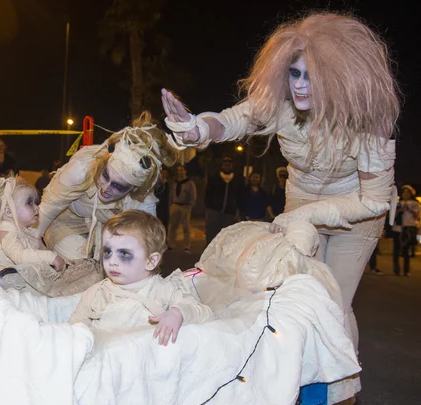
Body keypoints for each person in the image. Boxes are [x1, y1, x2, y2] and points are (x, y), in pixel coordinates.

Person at [162, 13, 399, 353]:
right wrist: (196, 128)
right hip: (299, 206)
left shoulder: (368, 123)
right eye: (294, 73)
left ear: (338, 79)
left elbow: (374, 201)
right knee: (295, 298)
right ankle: (294, 384)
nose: (300, 85)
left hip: (356, 216)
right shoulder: (281, 106)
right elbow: (233, 120)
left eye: (312, 76)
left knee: (333, 304)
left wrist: (304, 215)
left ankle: (338, 403)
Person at [38, 112, 177, 261]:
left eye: (118, 186)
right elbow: (47, 209)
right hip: (64, 219)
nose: (106, 187)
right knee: (79, 262)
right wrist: (36, 246)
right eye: (105, 175)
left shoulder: (143, 199)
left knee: (112, 267)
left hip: (105, 230)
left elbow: (147, 245)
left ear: (134, 188)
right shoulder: (81, 169)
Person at [69, 209, 213, 344]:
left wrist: (178, 313)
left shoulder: (164, 289)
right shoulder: (97, 292)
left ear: (151, 261)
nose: (112, 261)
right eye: (107, 252)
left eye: (124, 254)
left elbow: (206, 313)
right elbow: (75, 328)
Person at [0, 176, 101, 297]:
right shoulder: (5, 231)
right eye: (29, 203)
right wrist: (50, 257)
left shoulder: (28, 231)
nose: (36, 207)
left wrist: (56, 259)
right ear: (8, 211)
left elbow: (42, 249)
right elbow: (19, 256)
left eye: (36, 202)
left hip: (16, 274)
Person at [204, 156, 242, 245]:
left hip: (229, 212)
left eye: (229, 165)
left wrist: (236, 209)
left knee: (226, 234)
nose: (227, 166)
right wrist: (209, 206)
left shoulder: (237, 180)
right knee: (211, 232)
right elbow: (207, 193)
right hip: (214, 210)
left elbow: (239, 195)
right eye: (225, 164)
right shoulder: (214, 178)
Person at [168, 165, 197, 252]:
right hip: (175, 205)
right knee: (172, 226)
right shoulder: (175, 182)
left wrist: (191, 205)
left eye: (181, 170)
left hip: (185, 206)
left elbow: (193, 195)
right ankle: (171, 244)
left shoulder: (189, 183)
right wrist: (171, 205)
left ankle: (186, 246)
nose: (179, 172)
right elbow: (171, 194)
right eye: (178, 170)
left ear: (185, 171)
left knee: (186, 227)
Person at [392, 185, 419, 276]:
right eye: (404, 192)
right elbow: (392, 216)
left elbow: (417, 216)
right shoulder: (398, 203)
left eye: (408, 192)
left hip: (408, 227)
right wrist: (399, 210)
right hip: (398, 228)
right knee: (396, 249)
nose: (405, 194)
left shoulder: (415, 203)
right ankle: (396, 270)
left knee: (406, 250)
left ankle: (406, 270)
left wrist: (409, 209)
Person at [154, 167, 171, 232]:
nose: (163, 175)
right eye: (162, 173)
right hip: (158, 208)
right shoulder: (157, 184)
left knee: (165, 226)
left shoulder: (169, 184)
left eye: (165, 173)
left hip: (166, 208)